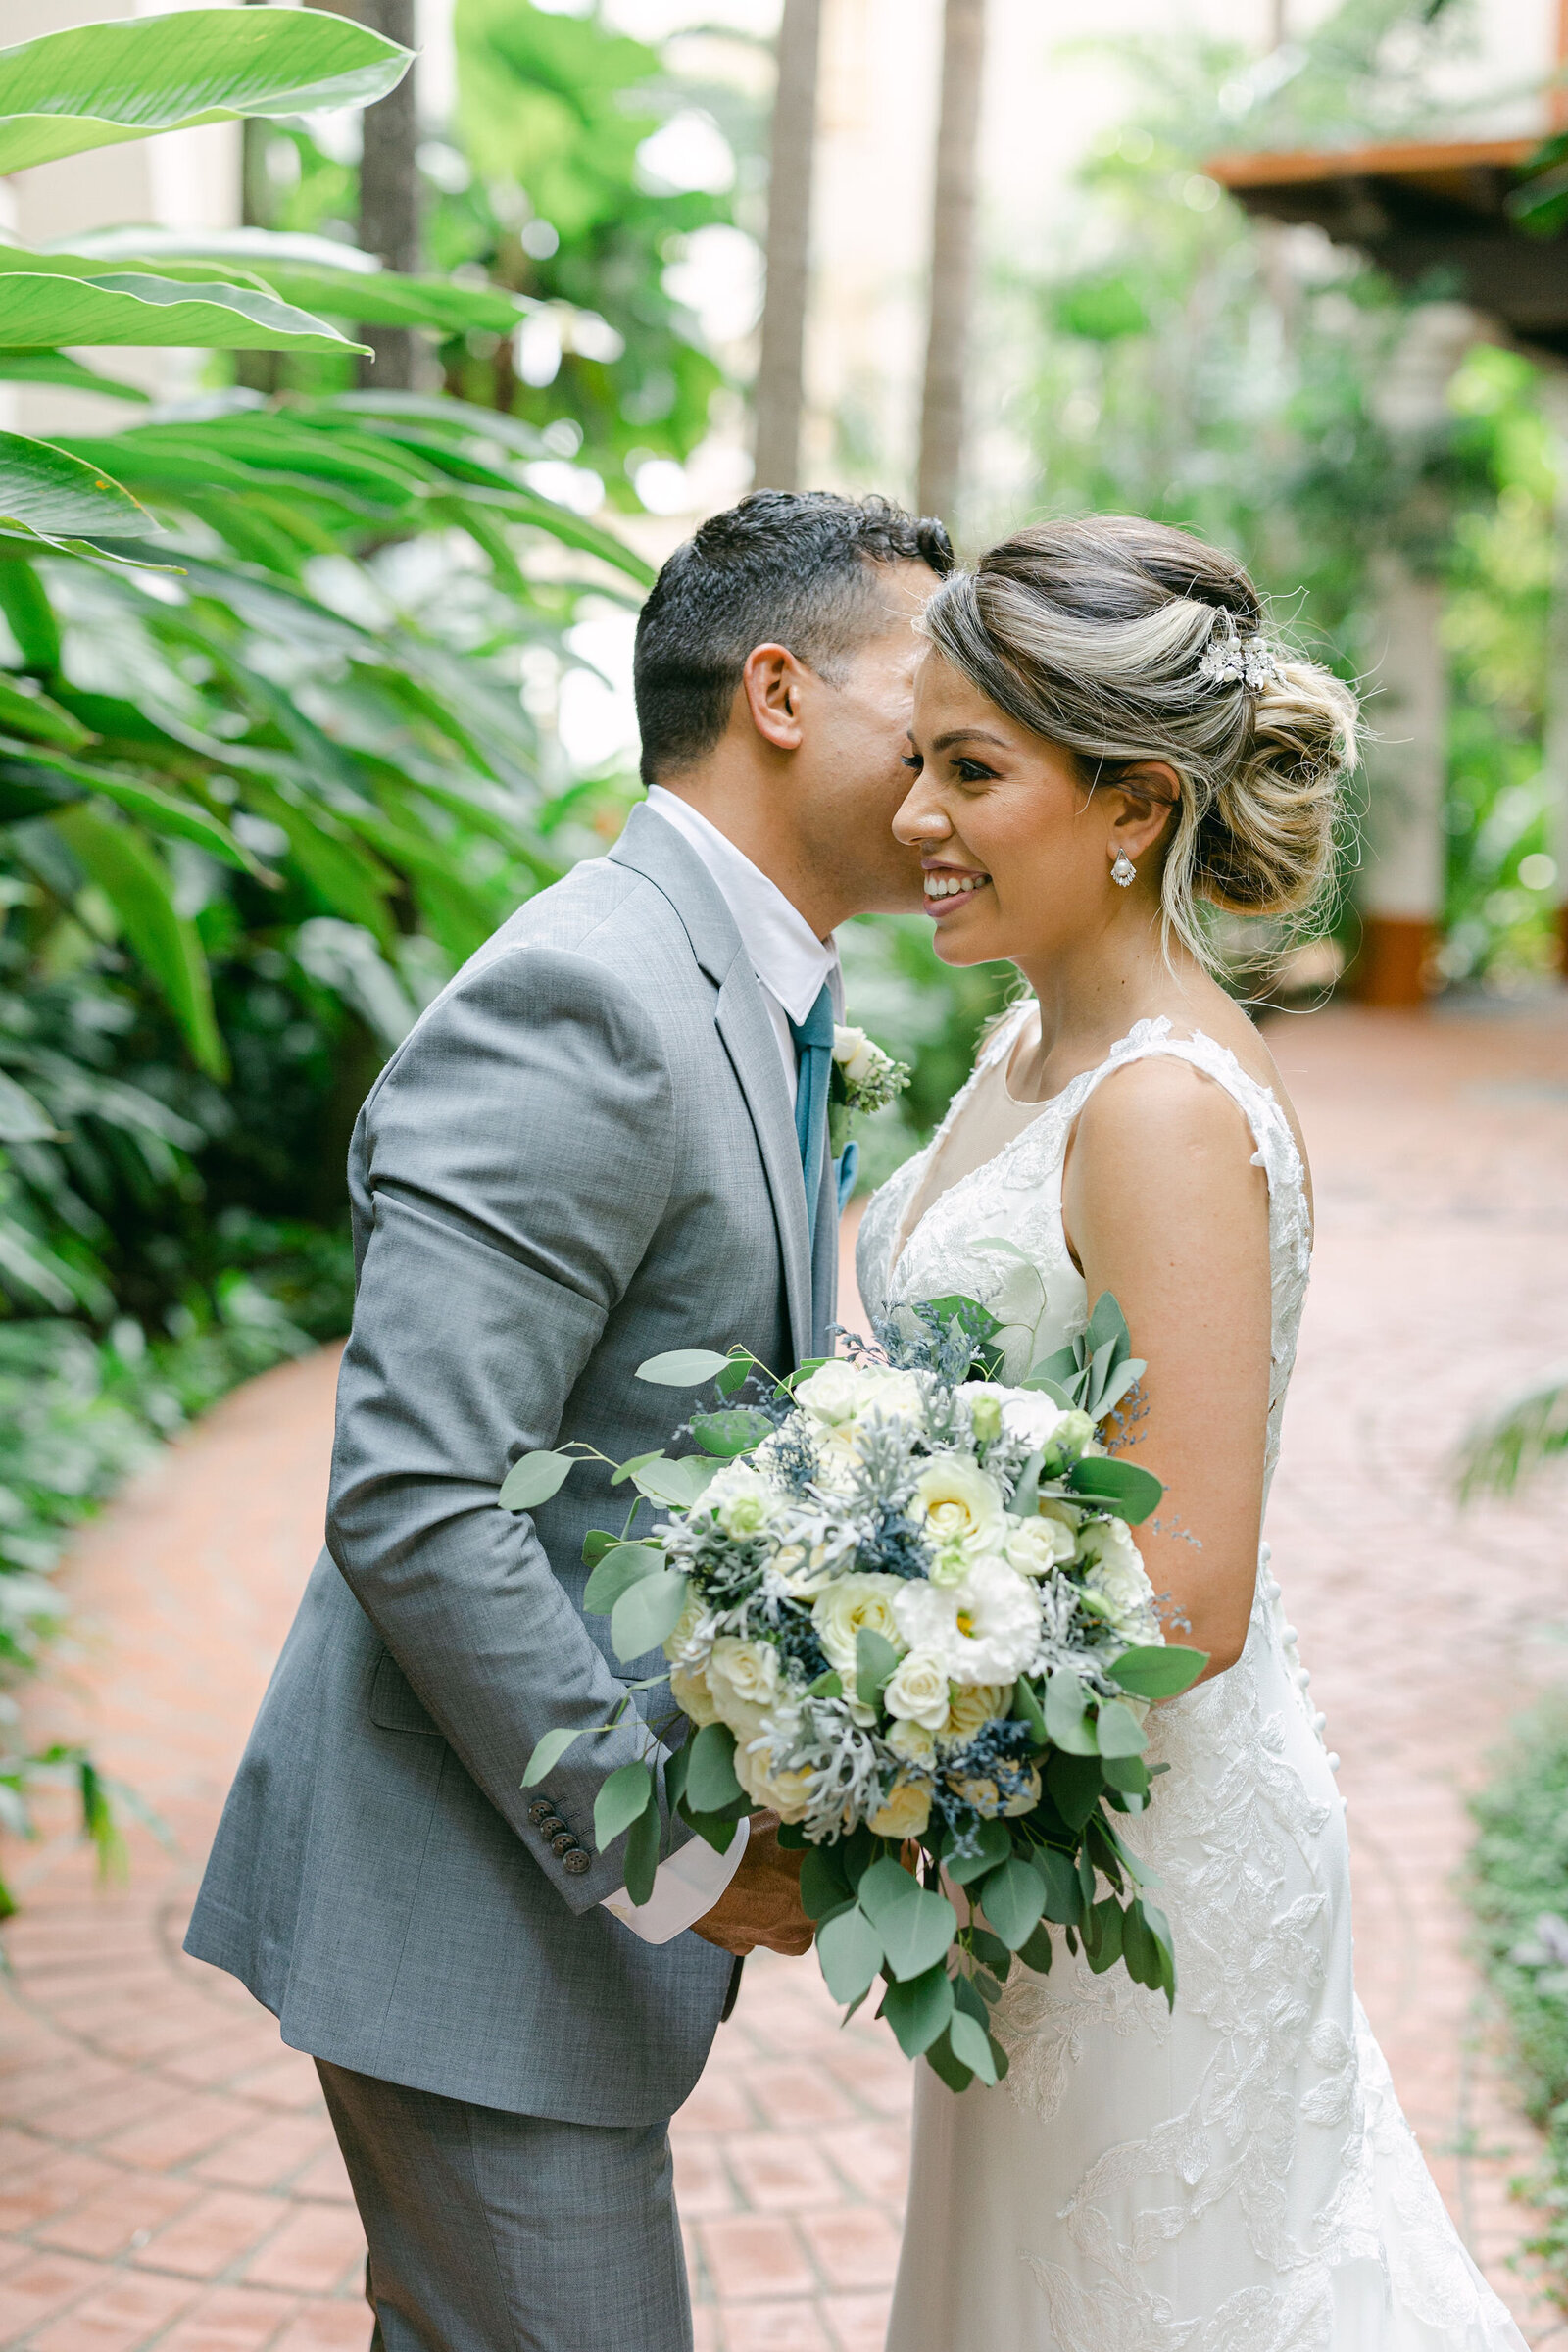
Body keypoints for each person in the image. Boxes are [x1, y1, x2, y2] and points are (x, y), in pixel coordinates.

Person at [182, 488, 951, 2352]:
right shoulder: (587, 998)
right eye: (932, 701)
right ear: (779, 691)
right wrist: (677, 1862)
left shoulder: (767, 992)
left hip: (536, 1926)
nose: (952, 766)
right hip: (466, 1909)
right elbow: (423, 1493)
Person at [858, 515, 1528, 2351]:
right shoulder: (1024, 1053)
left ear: (1134, 802)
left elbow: (1191, 1586)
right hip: (1038, 1851)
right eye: (919, 758)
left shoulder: (1158, 1110)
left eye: (971, 768)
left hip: (1140, 1856)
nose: (916, 813)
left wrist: (867, 1722)